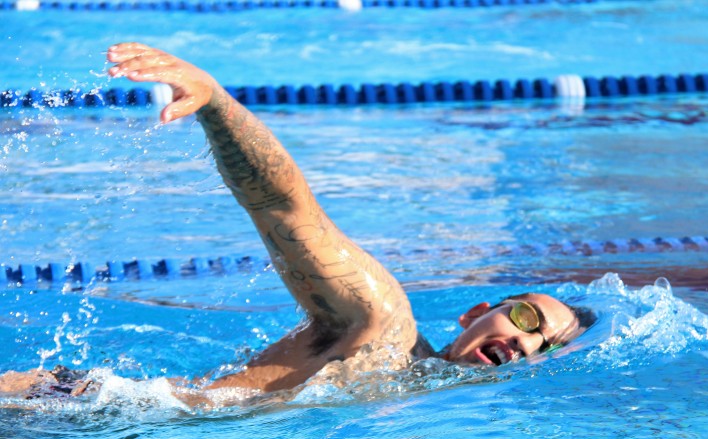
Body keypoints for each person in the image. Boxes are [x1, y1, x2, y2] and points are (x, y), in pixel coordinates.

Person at [0, 43, 593, 405]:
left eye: (546, 345)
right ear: (474, 313)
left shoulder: (417, 399)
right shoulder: (381, 324)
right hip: (79, 410)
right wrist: (215, 103)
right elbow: (286, 209)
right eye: (526, 317)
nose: (525, 342)